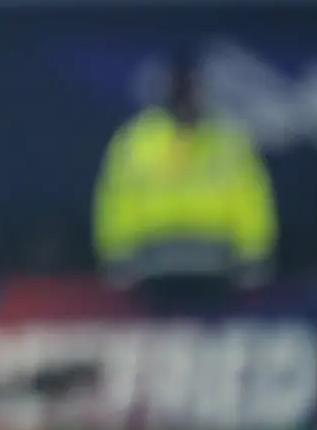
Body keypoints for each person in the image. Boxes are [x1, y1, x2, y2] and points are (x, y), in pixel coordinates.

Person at [92, 49, 277, 313]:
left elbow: (252, 200)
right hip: (153, 264)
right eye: (180, 88)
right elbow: (116, 201)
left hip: (217, 262)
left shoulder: (228, 139)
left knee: (213, 330)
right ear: (165, 90)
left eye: (192, 89)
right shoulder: (137, 140)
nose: (186, 97)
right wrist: (116, 257)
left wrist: (255, 256)